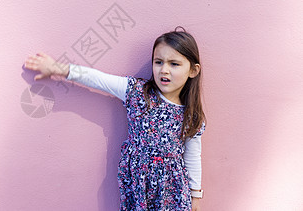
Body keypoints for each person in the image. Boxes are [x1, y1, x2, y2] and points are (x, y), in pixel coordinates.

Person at [24, 27, 206, 211]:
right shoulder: (137, 92)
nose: (164, 70)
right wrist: (57, 68)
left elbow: (192, 156)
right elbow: (98, 79)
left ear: (193, 70)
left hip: (172, 191)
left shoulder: (191, 115)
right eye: (158, 62)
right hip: (138, 185)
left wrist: (195, 196)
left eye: (174, 64)